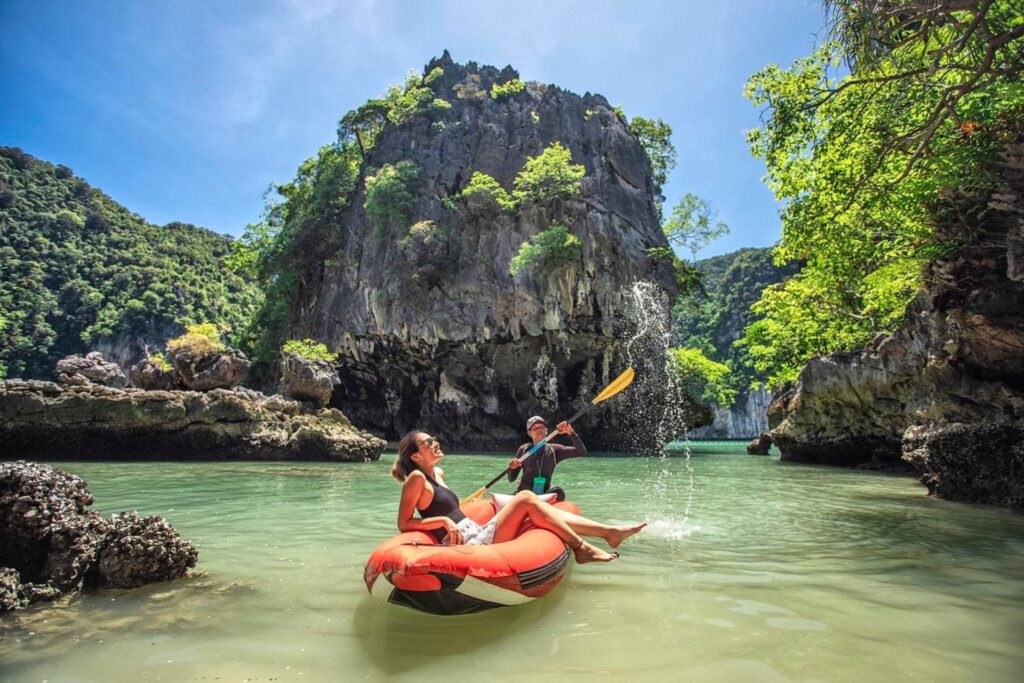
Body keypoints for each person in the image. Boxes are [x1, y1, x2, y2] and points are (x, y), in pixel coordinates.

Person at [391, 430, 646, 564]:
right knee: (524, 497)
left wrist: (451, 513)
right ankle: (582, 548)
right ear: (415, 456)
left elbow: (444, 506)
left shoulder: (437, 472)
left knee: (534, 513)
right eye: (428, 442)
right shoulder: (417, 479)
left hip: (476, 530)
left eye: (434, 439)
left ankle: (609, 532)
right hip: (469, 542)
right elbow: (404, 524)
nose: (435, 443)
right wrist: (442, 522)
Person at [506, 416, 585, 500]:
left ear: (546, 431)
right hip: (524, 494)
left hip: (543, 497)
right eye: (535, 428)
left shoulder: (554, 450)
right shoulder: (523, 450)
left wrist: (571, 432)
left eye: (541, 427)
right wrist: (512, 468)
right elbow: (511, 479)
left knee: (559, 492)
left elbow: (581, 452)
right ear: (529, 433)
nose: (539, 429)